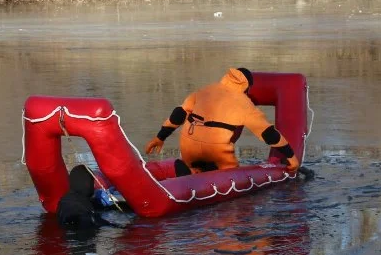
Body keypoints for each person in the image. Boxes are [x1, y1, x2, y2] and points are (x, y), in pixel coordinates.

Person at [144, 67, 300, 174]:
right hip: (218, 152)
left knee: (194, 165)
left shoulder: (205, 90)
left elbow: (179, 114)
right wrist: (291, 157)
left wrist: (160, 137)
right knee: (231, 177)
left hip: (188, 148)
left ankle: (186, 170)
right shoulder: (243, 103)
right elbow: (268, 133)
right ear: (247, 87)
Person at [56, 164, 109, 231]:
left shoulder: (66, 200)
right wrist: (116, 226)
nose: (94, 186)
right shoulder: (78, 205)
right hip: (82, 233)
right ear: (87, 183)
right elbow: (87, 218)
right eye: (92, 182)